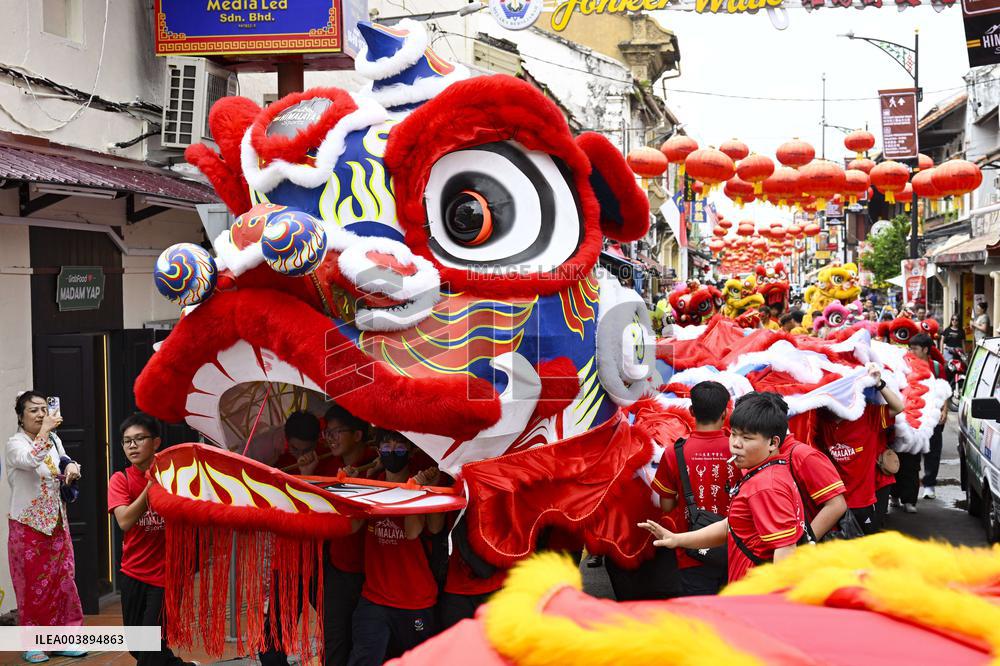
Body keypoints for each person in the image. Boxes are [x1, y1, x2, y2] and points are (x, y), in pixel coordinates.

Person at [640, 392, 807, 584]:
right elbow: (731, 525)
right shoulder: (761, 474)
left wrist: (774, 606)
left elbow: (786, 550)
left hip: (755, 596)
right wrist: (677, 539)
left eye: (747, 438)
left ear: (772, 442)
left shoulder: (765, 486)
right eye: (734, 434)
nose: (736, 444)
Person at [347, 431, 444, 665]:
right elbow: (352, 526)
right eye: (387, 447)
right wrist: (352, 486)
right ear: (378, 451)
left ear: (410, 452)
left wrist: (417, 490)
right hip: (375, 597)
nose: (393, 452)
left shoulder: (420, 483)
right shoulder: (371, 484)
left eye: (399, 448)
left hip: (415, 599)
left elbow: (412, 532)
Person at [108, 413, 197, 666]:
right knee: (139, 648)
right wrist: (151, 486)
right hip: (133, 573)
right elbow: (124, 521)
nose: (132, 446)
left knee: (150, 647)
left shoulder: (178, 478)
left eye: (139, 439)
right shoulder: (120, 480)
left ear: (156, 443)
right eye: (127, 441)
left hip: (167, 576)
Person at [6, 391, 85, 664]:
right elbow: (30, 460)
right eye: (33, 410)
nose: (41, 414)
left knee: (63, 581)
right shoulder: (14, 444)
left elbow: (62, 461)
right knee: (31, 586)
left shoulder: (54, 439)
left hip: (56, 523)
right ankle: (32, 644)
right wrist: (45, 433)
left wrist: (72, 467)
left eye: (43, 409)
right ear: (20, 416)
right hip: (28, 526)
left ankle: (65, 639)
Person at [651, 381, 737, 595]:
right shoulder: (740, 449)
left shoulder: (674, 452)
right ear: (726, 412)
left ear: (691, 411)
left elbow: (667, 504)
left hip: (691, 550)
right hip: (735, 548)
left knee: (700, 616)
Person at [817, 364, 904, 531]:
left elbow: (898, 407)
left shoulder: (867, 416)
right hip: (833, 503)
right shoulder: (820, 421)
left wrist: (879, 383)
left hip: (863, 501)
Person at [321, 405, 376, 666]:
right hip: (338, 571)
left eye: (336, 432)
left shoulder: (379, 464)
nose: (330, 439)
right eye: (327, 433)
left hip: (374, 576)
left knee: (367, 648)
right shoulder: (326, 466)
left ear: (357, 435)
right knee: (335, 644)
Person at [780, 435, 848, 540]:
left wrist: (805, 543)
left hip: (819, 548)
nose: (744, 444)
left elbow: (837, 505)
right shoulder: (754, 462)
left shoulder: (802, 455)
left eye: (748, 437)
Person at [907, 334, 949, 502]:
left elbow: (944, 390)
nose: (911, 351)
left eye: (914, 349)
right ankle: (910, 488)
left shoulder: (937, 367)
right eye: (910, 348)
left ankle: (929, 485)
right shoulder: (907, 366)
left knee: (933, 451)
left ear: (925, 349)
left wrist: (944, 411)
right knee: (912, 453)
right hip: (913, 415)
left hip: (933, 415)